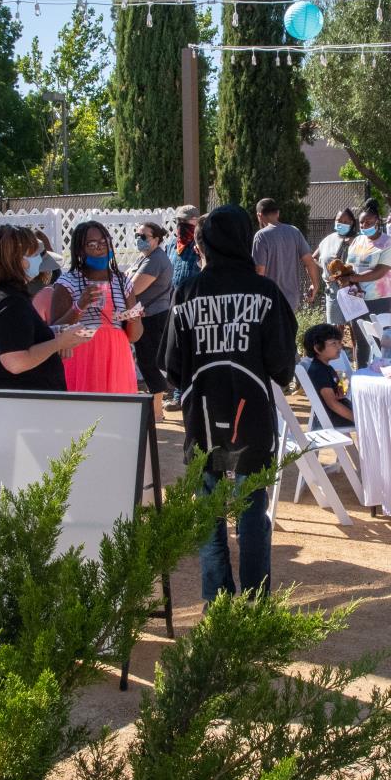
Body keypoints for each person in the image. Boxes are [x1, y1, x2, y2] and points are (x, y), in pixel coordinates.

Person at [161, 204, 298, 601]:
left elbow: (171, 368)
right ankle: (255, 607)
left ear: (206, 244)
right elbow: (282, 369)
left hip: (202, 418)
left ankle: (217, 602)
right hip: (252, 420)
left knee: (209, 513)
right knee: (253, 513)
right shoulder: (266, 293)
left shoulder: (187, 293)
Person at [0, 225, 87, 437]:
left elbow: (15, 339)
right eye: (35, 254)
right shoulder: (10, 301)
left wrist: (53, 335)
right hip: (16, 413)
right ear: (18, 258)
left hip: (4, 407)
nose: (40, 259)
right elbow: (16, 361)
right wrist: (58, 342)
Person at [47, 220, 143, 393]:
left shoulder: (122, 282)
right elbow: (55, 329)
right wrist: (79, 306)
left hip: (117, 357)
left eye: (104, 241)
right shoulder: (67, 282)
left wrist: (134, 319)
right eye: (92, 244)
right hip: (81, 358)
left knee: (116, 412)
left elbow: (134, 336)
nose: (100, 247)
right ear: (79, 250)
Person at [344, 206, 391, 366]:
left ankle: (383, 371)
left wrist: (354, 277)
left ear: (378, 221)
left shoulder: (388, 243)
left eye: (368, 222)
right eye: (361, 223)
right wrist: (344, 276)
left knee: (377, 338)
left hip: (378, 298)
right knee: (360, 339)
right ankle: (361, 371)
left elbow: (381, 271)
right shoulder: (357, 240)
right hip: (356, 297)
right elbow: (349, 265)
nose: (364, 226)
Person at [128, 220, 177, 401]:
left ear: (156, 239)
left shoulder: (155, 259)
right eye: (137, 235)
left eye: (143, 236)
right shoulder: (145, 257)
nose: (139, 239)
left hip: (152, 318)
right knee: (147, 361)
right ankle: (157, 404)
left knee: (150, 363)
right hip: (145, 316)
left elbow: (132, 288)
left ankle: (157, 409)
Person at [253, 198, 319, 312]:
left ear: (259, 215)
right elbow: (309, 261)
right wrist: (315, 285)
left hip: (269, 300)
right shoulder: (294, 232)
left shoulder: (261, 236)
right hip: (292, 300)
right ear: (278, 213)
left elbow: (259, 271)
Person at [301, 323, 355, 432]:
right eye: (333, 343)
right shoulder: (319, 371)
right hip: (335, 418)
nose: (339, 347)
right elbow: (332, 404)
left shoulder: (325, 367)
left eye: (339, 342)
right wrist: (358, 419)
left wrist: (342, 386)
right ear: (317, 348)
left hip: (337, 414)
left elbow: (340, 387)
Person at [171, 214, 202, 291]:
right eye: (178, 221)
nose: (181, 224)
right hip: (174, 297)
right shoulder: (172, 245)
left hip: (194, 296)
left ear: (197, 221)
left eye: (184, 220)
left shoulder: (202, 245)